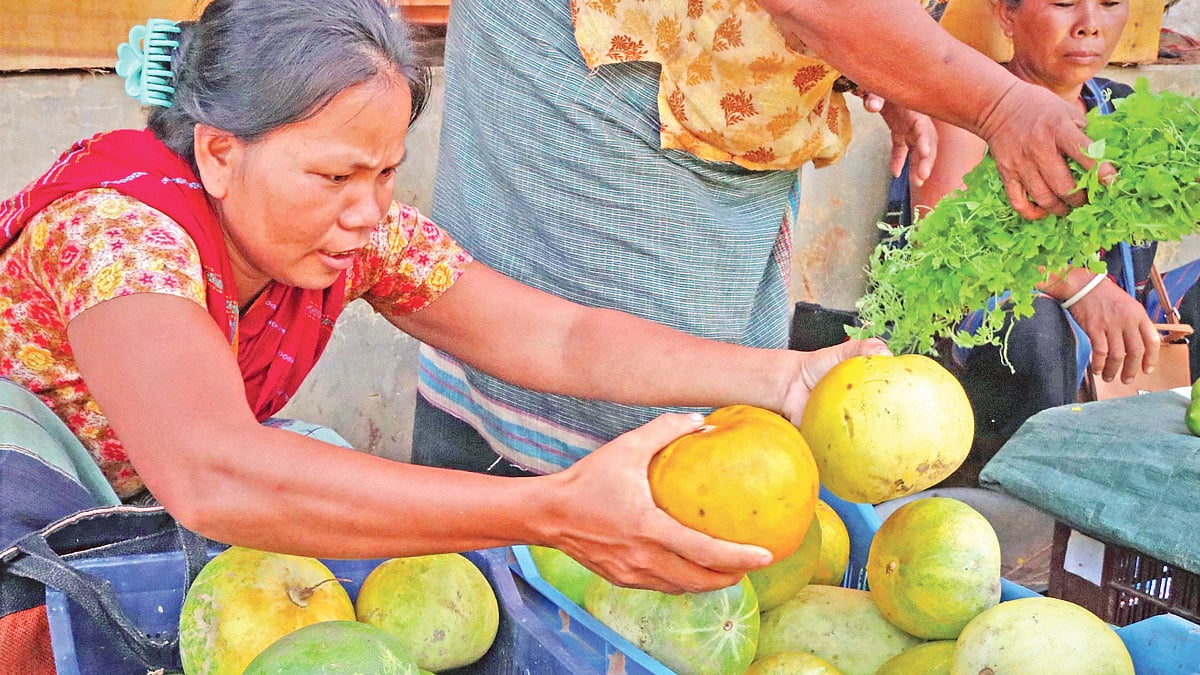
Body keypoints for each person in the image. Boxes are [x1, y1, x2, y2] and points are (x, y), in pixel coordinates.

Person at [0, 0, 890, 598]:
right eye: (335, 175)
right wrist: (551, 509)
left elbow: (561, 339)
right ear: (222, 152)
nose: (369, 209)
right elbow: (213, 473)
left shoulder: (358, 234)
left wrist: (782, 378)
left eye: (386, 172)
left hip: (140, 494)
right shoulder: (119, 235)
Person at [412, 0, 1111, 478]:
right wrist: (992, 103)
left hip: (729, 92)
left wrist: (883, 59)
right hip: (605, 67)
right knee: (611, 410)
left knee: (709, 413)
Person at [898, 0, 1200, 448]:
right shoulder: (969, 109)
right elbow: (942, 249)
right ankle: (1028, 499)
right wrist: (1078, 286)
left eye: (1111, 4)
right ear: (1006, 14)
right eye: (1063, 3)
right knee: (1034, 327)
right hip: (996, 338)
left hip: (1117, 332)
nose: (1090, 26)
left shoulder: (1127, 110)